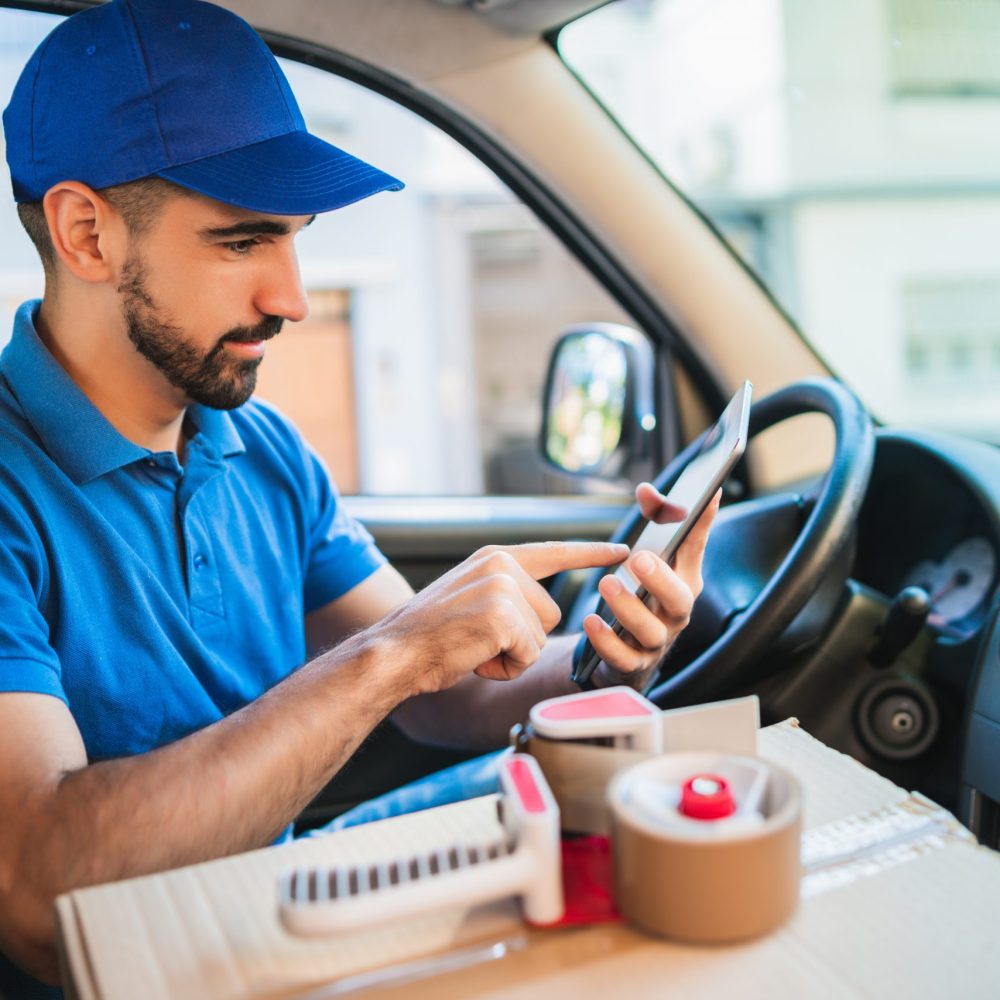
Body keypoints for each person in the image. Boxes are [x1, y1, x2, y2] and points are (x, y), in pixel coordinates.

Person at [0, 1, 718, 994]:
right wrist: (394, 654)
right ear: (86, 232)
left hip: (280, 943)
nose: (292, 297)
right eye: (243, 241)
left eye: (293, 240)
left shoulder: (262, 449)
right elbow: (39, 895)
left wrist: (595, 659)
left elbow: (448, 693)